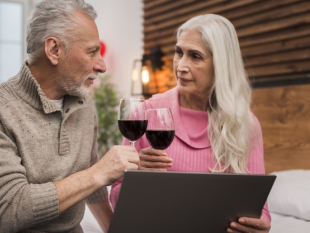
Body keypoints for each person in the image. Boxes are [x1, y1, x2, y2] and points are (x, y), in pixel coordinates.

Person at [0, 0, 139, 232]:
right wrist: (98, 173)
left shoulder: (83, 104)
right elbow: (10, 212)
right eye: (92, 51)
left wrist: (113, 228)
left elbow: (93, 183)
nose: (102, 65)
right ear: (54, 50)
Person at [111, 14, 271, 233]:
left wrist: (257, 224)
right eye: (179, 52)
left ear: (220, 65)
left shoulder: (245, 124)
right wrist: (139, 180)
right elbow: (116, 197)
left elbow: (259, 207)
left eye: (195, 56)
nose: (181, 66)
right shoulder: (145, 113)